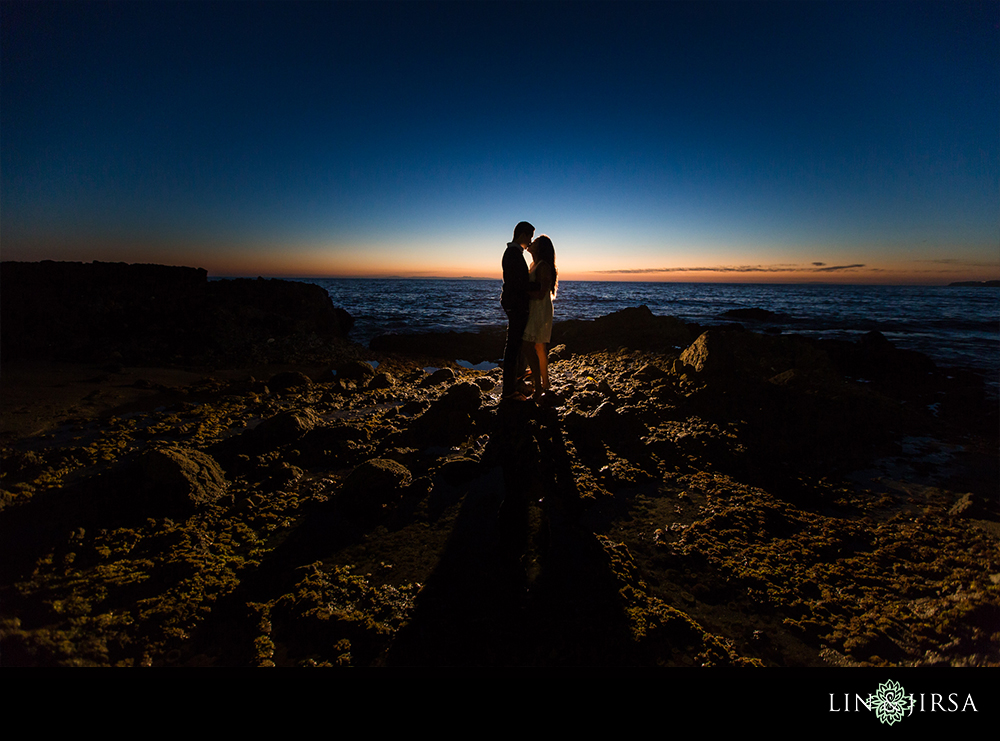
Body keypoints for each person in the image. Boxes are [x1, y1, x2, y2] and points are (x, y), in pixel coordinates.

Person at [501, 221, 536, 400]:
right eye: (529, 236)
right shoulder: (513, 253)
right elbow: (519, 283)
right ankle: (508, 391)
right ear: (523, 234)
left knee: (516, 345)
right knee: (513, 347)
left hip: (513, 303)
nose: (530, 240)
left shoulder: (513, 252)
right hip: (515, 304)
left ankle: (515, 382)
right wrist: (539, 285)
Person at [522, 235, 557, 399]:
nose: (531, 243)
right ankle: (545, 383)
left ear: (540, 248)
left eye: (534, 243)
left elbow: (541, 292)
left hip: (540, 308)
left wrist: (521, 291)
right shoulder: (533, 264)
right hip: (536, 307)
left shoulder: (543, 266)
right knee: (539, 346)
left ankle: (540, 384)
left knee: (532, 345)